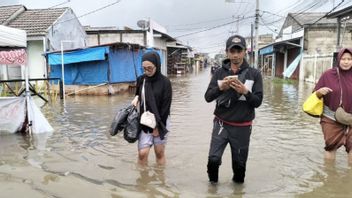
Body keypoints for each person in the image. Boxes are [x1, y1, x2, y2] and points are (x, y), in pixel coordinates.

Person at [204, 35, 263, 184]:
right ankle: (212, 191)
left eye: (239, 51)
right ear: (227, 52)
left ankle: (237, 192)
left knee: (239, 167)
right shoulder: (219, 73)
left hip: (242, 127)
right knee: (213, 160)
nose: (235, 55)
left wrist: (245, 92)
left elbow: (257, 102)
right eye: (232, 51)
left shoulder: (254, 74)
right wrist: (220, 87)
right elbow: (208, 97)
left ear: (245, 52)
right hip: (221, 124)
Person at [131, 51, 172, 166]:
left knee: (159, 152)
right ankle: (143, 181)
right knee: (142, 153)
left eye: (149, 68)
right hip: (145, 120)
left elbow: (166, 107)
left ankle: (160, 178)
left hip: (161, 120)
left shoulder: (165, 82)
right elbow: (138, 93)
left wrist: (157, 127)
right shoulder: (141, 80)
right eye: (144, 68)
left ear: (157, 65)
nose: (146, 71)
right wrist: (136, 98)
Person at [314, 48, 352, 163]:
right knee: (331, 146)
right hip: (331, 117)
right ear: (338, 59)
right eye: (343, 59)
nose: (346, 62)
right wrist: (320, 92)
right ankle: (329, 176)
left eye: (349, 59)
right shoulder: (328, 75)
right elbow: (314, 94)